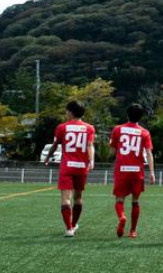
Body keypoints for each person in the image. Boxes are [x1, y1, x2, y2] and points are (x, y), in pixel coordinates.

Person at [44, 101, 95, 237]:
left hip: (67, 167)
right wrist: (91, 161)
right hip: (81, 167)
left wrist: (48, 157)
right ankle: (74, 224)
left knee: (66, 198)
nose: (66, 113)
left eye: (67, 111)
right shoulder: (89, 128)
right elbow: (89, 145)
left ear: (71, 112)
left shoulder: (62, 127)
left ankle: (69, 229)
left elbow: (55, 145)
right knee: (78, 198)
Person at [109, 104, 156, 238]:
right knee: (135, 201)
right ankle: (133, 231)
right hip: (137, 171)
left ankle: (122, 217)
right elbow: (149, 153)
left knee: (119, 199)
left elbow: (112, 152)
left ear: (127, 115)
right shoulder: (144, 132)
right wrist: (152, 172)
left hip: (122, 169)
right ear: (141, 117)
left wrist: (112, 147)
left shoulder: (118, 130)